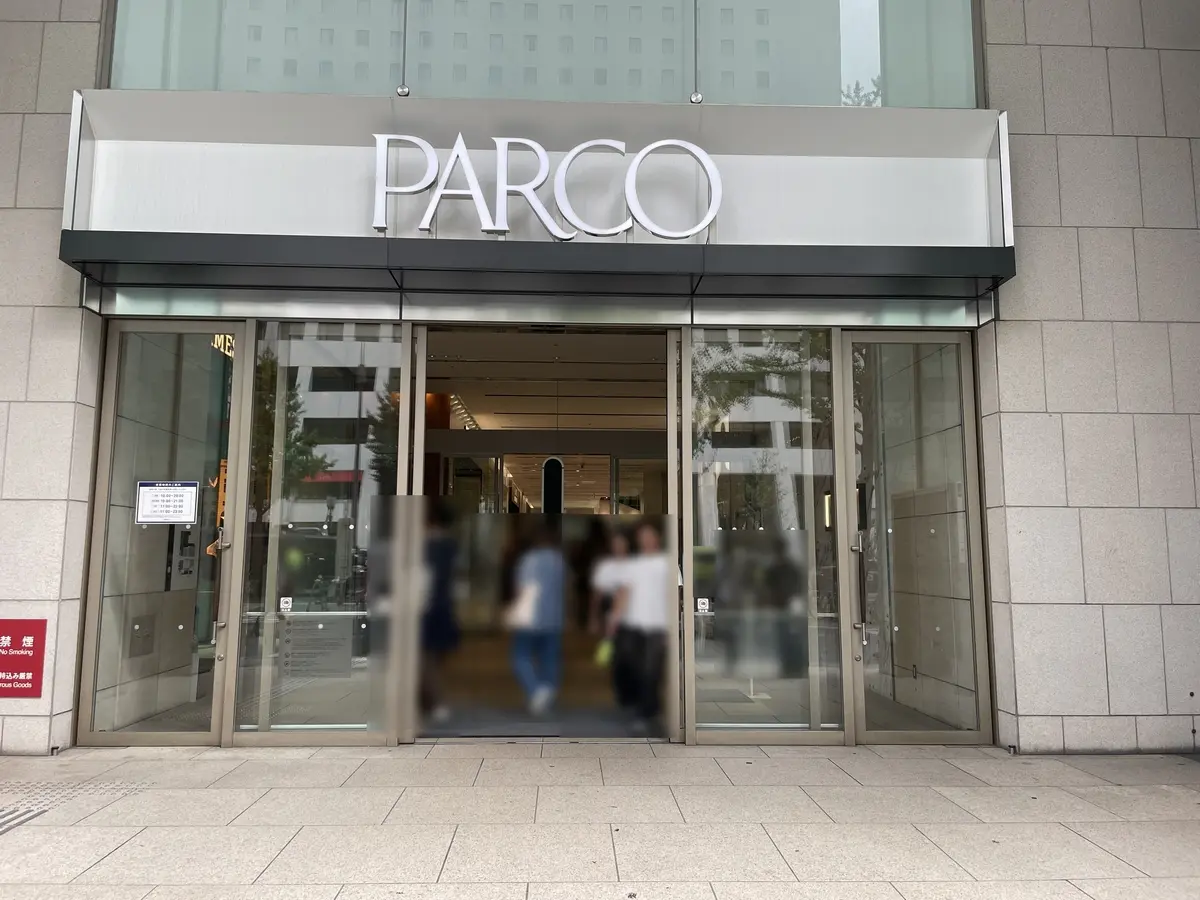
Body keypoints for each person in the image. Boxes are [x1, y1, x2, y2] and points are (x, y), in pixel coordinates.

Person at [606, 520, 670, 734]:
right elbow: (623, 594)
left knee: (651, 669)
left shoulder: (667, 563)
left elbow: (674, 595)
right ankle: (643, 706)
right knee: (634, 666)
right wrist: (614, 619)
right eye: (642, 537)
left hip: (658, 625)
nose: (646, 540)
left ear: (657, 538)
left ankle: (646, 713)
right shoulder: (633, 565)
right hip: (633, 624)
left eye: (650, 536)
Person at [510, 519, 566, 715]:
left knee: (520, 657)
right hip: (553, 617)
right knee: (549, 658)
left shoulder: (528, 560)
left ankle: (535, 690)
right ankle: (546, 693)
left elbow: (522, 588)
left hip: (530, 618)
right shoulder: (559, 561)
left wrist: (514, 608)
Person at [420, 500, 460, 723]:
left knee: (427, 657)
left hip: (427, 606)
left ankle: (434, 702)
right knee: (436, 657)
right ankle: (430, 700)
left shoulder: (426, 545)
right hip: (444, 605)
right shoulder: (451, 546)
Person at [590, 527, 636, 710]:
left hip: (634, 611)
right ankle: (622, 692)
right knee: (618, 654)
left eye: (621, 544)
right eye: (615, 544)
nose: (618, 547)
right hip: (612, 612)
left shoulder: (635, 565)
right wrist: (593, 617)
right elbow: (598, 595)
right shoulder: (606, 566)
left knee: (632, 654)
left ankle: (632, 691)